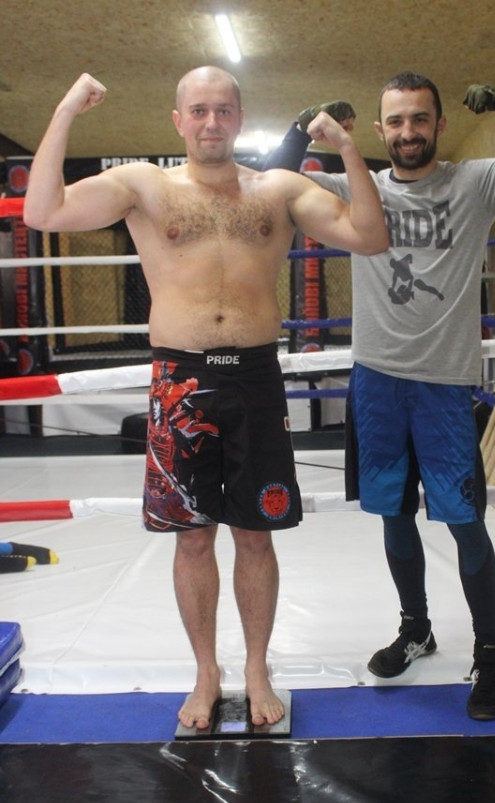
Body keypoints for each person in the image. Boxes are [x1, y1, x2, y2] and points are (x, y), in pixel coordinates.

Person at [23, 68, 388, 730]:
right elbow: (41, 212)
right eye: (199, 110)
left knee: (256, 536)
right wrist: (66, 109)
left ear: (240, 118)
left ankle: (256, 669)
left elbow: (369, 235)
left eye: (223, 110)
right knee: (192, 540)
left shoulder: (277, 189)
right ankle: (206, 673)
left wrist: (346, 149)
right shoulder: (145, 186)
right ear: (179, 120)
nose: (212, 121)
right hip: (180, 381)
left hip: (254, 379)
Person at [264, 74, 495, 720]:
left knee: (464, 521)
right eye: (396, 121)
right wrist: (302, 128)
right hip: (377, 382)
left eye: (419, 119)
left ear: (439, 125)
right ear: (379, 131)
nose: (408, 132)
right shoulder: (358, 187)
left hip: (444, 385)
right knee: (393, 513)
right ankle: (416, 628)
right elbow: (269, 184)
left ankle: (488, 652)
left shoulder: (476, 183)